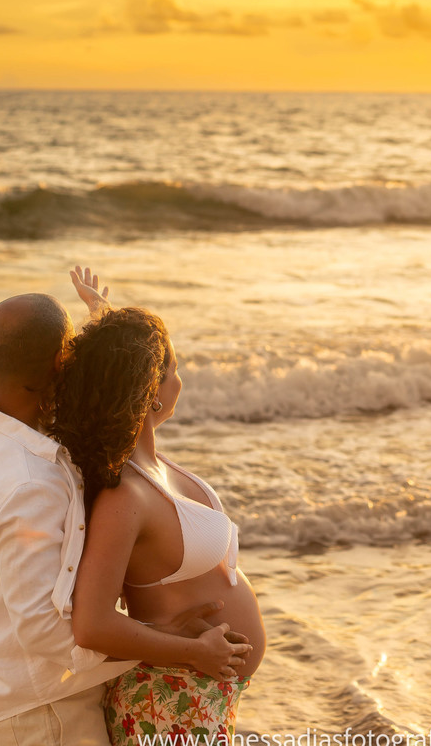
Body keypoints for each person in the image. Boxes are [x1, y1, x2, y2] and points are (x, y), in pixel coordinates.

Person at [0, 289, 249, 746]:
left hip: (15, 689)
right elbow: (43, 631)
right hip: (43, 710)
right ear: (61, 361)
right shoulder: (29, 488)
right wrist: (171, 643)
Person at [50, 274, 266, 745]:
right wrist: (190, 653)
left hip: (197, 695)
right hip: (168, 702)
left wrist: (102, 318)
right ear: (152, 387)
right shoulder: (124, 496)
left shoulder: (147, 463)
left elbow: (119, 366)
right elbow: (91, 624)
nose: (180, 379)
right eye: (173, 368)